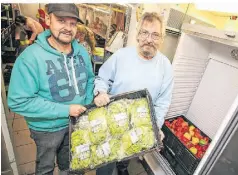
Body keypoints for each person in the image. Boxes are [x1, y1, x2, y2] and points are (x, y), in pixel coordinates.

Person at [7, 3, 94, 175]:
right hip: (46, 129)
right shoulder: (30, 58)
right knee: (45, 167)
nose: (68, 28)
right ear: (48, 19)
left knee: (70, 164)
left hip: (76, 124)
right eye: (61, 21)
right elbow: (18, 101)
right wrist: (66, 110)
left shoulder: (82, 52)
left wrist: (90, 103)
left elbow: (90, 79)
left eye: (72, 23)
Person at [94, 12, 174, 175]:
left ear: (161, 39)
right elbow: (102, 78)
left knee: (127, 155)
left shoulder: (165, 66)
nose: (149, 39)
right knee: (106, 163)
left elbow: (162, 102)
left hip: (137, 126)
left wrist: (155, 127)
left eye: (155, 35)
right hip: (112, 122)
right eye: (144, 33)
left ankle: (123, 168)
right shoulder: (121, 56)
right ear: (137, 35)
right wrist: (101, 92)